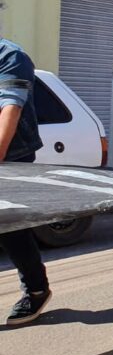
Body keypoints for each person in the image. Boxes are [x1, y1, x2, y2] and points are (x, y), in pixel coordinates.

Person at [0, 38, 50, 326]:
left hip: (11, 159)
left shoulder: (11, 56)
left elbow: (11, 108)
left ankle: (36, 290)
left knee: (11, 228)